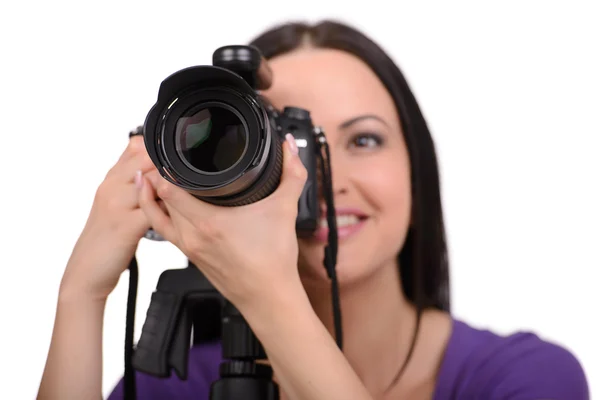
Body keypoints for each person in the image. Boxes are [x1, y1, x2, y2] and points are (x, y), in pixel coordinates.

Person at [37, 20, 590, 400]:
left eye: (364, 141)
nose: (322, 179)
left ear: (418, 175)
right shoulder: (181, 381)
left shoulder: (524, 377)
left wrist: (266, 293)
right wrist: (81, 292)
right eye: (285, 146)